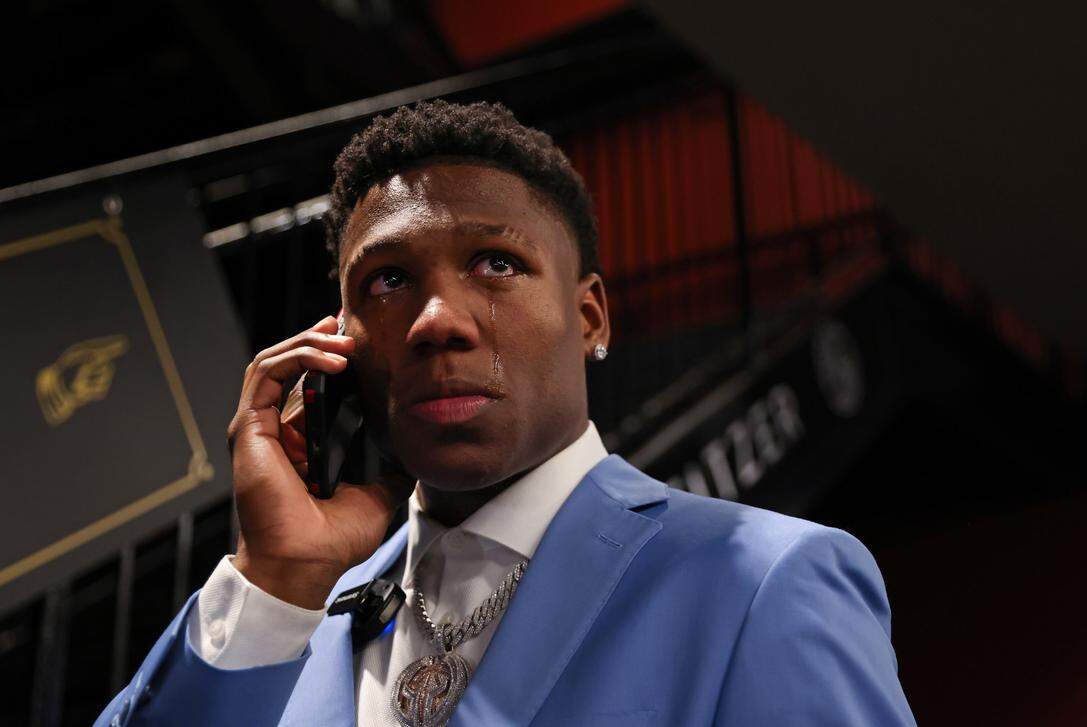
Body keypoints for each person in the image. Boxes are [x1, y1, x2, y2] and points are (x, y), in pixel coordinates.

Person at [96, 100, 916, 726]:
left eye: (496, 262)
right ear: (334, 342)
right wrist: (273, 583)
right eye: (386, 281)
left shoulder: (764, 580)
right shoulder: (282, 620)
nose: (435, 319)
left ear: (590, 316)